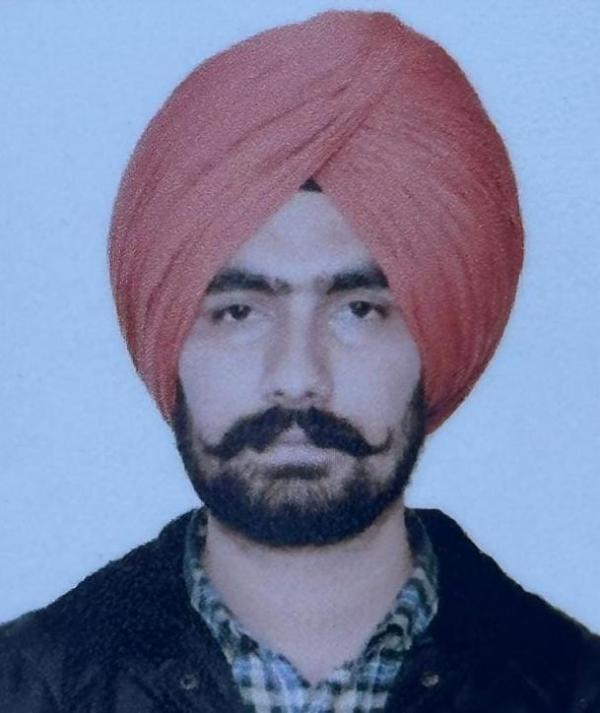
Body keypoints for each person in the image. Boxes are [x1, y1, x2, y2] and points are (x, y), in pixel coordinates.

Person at [1, 10, 598, 713]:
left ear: (434, 342)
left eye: (358, 311)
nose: (296, 376)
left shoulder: (572, 688)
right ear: (170, 343)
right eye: (239, 312)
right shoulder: (27, 687)